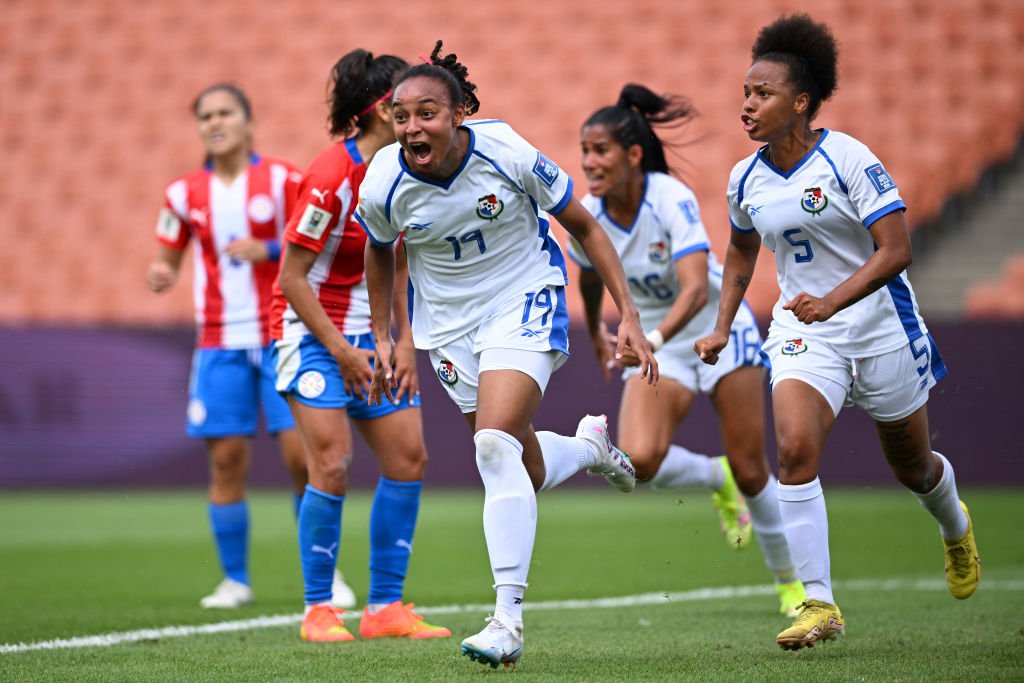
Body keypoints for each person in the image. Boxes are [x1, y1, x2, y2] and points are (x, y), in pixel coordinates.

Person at [357, 41, 657, 669]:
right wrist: (386, 333)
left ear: (460, 112)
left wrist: (625, 312)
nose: (413, 127)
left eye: (428, 112)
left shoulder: (507, 152)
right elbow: (379, 249)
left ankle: (507, 621)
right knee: (523, 463)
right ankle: (590, 448)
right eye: (401, 116)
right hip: (446, 327)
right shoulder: (384, 179)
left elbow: (586, 226)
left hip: (523, 298)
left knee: (493, 446)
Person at [694, 13, 981, 650]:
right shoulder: (745, 178)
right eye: (745, 93)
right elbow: (741, 254)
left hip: (879, 327)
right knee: (794, 451)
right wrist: (720, 326)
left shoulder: (848, 157)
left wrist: (833, 300)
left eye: (762, 94)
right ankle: (818, 604)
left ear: (800, 101)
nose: (747, 105)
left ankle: (955, 526)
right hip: (805, 331)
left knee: (912, 466)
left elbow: (896, 248)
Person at [573, 83, 805, 617]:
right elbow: (587, 276)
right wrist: (592, 332)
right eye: (585, 150)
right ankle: (712, 477)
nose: (589, 162)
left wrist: (648, 341)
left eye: (600, 150)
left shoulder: (667, 197)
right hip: (657, 344)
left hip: (715, 331)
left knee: (753, 470)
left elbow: (698, 287)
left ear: (633, 155)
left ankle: (793, 587)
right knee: (639, 465)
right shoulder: (588, 213)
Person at [147, 83, 356, 610]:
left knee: (298, 459)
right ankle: (235, 580)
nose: (215, 122)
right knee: (226, 461)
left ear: (247, 120)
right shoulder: (182, 195)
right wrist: (160, 272)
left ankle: (326, 575)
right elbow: (168, 254)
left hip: (279, 335)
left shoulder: (284, 179)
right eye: (206, 115)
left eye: (225, 112)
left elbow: (312, 237)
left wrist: (264, 247)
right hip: (218, 342)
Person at [272, 49, 450, 643]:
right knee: (333, 462)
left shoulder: (404, 172)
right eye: (401, 104)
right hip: (312, 336)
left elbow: (398, 261)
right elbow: (291, 278)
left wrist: (400, 343)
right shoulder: (329, 180)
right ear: (380, 108)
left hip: (369, 337)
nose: (412, 119)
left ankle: (384, 609)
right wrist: (343, 351)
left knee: (408, 459)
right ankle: (319, 610)